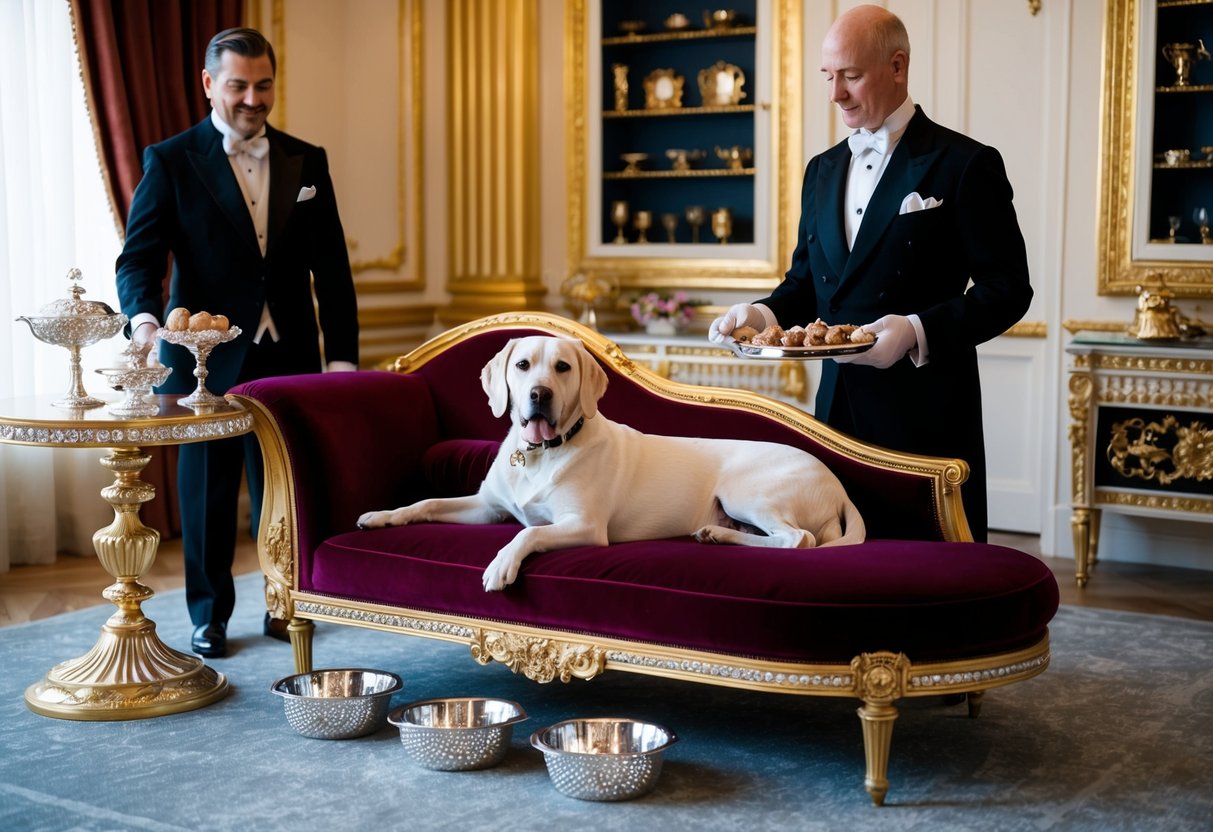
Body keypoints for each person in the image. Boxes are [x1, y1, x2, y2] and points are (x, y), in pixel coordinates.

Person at [709, 5, 1031, 542]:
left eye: (851, 76)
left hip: (927, 419)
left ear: (898, 67)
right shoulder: (821, 169)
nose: (836, 93)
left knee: (930, 584)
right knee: (842, 570)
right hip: (837, 415)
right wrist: (758, 313)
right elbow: (807, 285)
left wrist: (917, 331)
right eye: (828, 76)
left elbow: (1009, 290)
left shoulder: (966, 163)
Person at [116, 28, 359, 657]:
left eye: (264, 85)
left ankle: (286, 603)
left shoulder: (309, 159)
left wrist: (342, 363)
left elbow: (331, 270)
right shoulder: (170, 160)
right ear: (208, 85)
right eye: (238, 85)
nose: (253, 98)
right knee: (207, 494)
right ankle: (209, 616)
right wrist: (145, 323)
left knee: (288, 488)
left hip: (290, 356)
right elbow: (138, 261)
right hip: (202, 359)